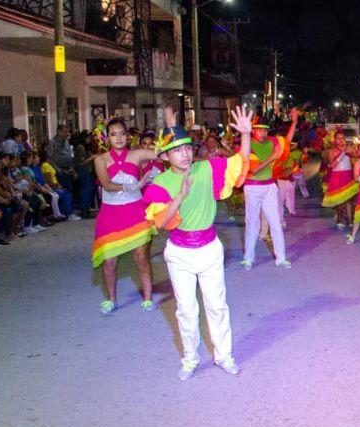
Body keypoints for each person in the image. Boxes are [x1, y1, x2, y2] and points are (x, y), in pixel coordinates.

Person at [143, 107, 253, 380]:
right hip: (179, 252)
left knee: (217, 305)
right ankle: (190, 359)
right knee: (187, 309)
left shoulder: (207, 168)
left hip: (210, 248)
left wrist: (246, 135)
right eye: (177, 150)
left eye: (188, 148)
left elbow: (240, 163)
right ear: (166, 156)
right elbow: (159, 222)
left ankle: (224, 356)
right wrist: (178, 197)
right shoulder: (160, 183)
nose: (185, 154)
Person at [92, 117, 157, 314]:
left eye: (122, 133)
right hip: (110, 215)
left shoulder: (137, 154)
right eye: (113, 134)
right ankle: (111, 299)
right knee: (109, 261)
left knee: (141, 257)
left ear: (128, 136)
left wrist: (171, 128)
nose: (118, 138)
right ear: (107, 137)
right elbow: (106, 185)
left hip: (136, 212)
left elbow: (164, 153)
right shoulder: (100, 159)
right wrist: (133, 185)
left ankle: (147, 298)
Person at [240, 109, 296, 270]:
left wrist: (294, 123)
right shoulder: (247, 145)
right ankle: (248, 258)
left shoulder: (272, 141)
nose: (262, 133)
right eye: (259, 130)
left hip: (270, 187)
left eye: (265, 130)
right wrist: (272, 157)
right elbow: (253, 170)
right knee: (252, 223)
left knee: (276, 223)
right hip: (252, 187)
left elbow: (286, 141)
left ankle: (281, 258)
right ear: (253, 130)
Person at [321, 130, 356, 228]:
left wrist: (353, 152)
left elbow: (355, 160)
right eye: (338, 138)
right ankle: (339, 221)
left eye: (342, 138)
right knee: (339, 201)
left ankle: (350, 221)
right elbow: (332, 165)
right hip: (338, 177)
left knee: (349, 200)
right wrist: (343, 153)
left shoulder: (349, 148)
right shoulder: (332, 151)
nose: (340, 140)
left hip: (348, 176)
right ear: (335, 140)